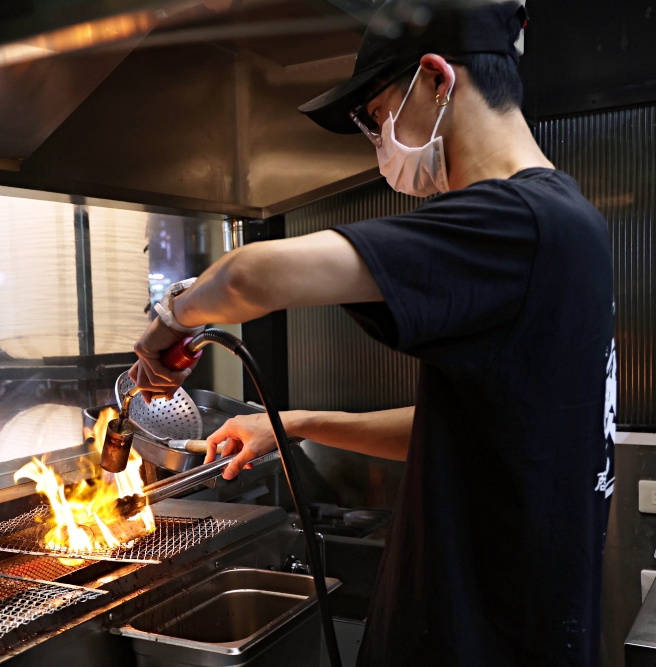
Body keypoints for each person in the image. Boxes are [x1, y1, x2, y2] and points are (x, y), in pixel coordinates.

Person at [128, 1, 616, 665]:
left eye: (380, 115)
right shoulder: (569, 224)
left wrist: (168, 323)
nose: (380, 141)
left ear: (439, 80)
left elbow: (251, 276)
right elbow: (473, 429)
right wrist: (292, 423)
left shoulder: (517, 221)